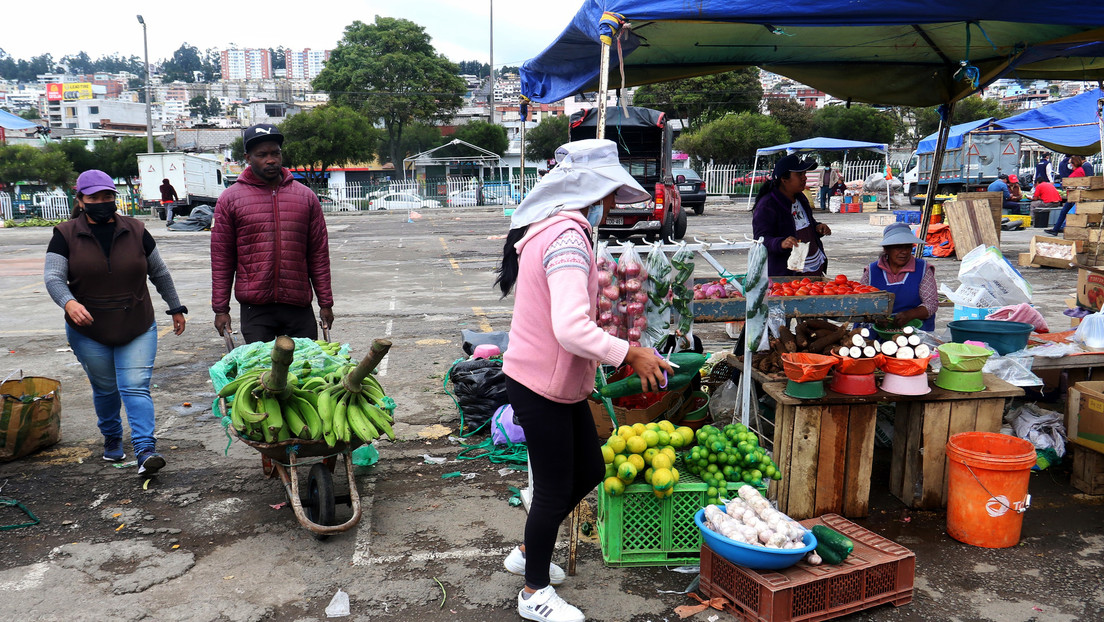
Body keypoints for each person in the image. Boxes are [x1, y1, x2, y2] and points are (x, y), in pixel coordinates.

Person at [495, 139, 671, 622]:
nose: (612, 203)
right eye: (610, 192)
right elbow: (570, 328)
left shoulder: (553, 228)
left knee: (589, 472)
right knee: (554, 489)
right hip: (540, 385)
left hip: (554, 383)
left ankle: (529, 548)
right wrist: (628, 353)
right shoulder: (568, 239)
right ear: (589, 191)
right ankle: (533, 593)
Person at [44, 170, 187, 474]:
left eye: (107, 196)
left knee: (135, 386)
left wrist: (175, 307)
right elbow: (53, 277)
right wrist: (69, 302)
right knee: (106, 388)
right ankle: (111, 437)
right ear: (80, 200)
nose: (102, 202)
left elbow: (159, 272)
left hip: (136, 323)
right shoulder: (65, 234)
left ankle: (146, 450)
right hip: (89, 330)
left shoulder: (136, 229)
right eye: (94, 197)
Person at [211, 124, 334, 343]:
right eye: (262, 155)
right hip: (256, 309)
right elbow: (222, 258)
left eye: (275, 153)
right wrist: (221, 309)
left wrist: (326, 303)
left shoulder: (305, 197)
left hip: (298, 306)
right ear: (248, 158)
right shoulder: (230, 199)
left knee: (305, 373)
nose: (270, 160)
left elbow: (318, 255)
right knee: (262, 374)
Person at [752, 154, 831, 277]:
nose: (804, 178)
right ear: (784, 179)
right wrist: (780, 243)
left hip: (813, 267)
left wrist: (817, 227)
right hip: (787, 273)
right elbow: (760, 240)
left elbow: (804, 223)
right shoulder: (767, 205)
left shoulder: (800, 197)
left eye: (805, 174)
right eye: (800, 175)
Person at [860, 223, 937, 330]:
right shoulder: (872, 271)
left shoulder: (923, 269)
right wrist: (875, 317)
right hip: (877, 332)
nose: (904, 252)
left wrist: (910, 314)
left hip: (914, 331)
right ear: (886, 249)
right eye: (898, 247)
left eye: (908, 247)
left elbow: (931, 304)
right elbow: (860, 303)